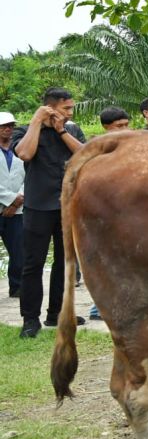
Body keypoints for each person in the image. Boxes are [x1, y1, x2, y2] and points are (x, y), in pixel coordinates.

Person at [12, 88, 87, 338]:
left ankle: (57, 312)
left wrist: (61, 130)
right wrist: (36, 121)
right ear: (50, 107)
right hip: (38, 206)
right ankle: (30, 319)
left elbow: (85, 156)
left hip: (68, 205)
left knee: (65, 263)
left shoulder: (72, 129)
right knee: (33, 264)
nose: (70, 113)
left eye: (71, 108)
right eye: (66, 109)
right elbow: (24, 153)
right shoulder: (25, 131)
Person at [88, 106, 131, 320]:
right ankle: (98, 308)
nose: (124, 129)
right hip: (103, 212)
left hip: (125, 213)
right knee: (104, 261)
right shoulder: (98, 149)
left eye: (126, 125)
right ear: (106, 127)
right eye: (118, 126)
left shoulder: (130, 147)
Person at [0, 112, 24, 299]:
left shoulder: (20, 149)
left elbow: (30, 174)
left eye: (10, 125)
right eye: (3, 126)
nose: (8, 129)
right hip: (5, 203)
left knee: (19, 250)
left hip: (19, 208)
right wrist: (9, 199)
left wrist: (17, 200)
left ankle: (17, 287)